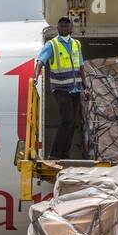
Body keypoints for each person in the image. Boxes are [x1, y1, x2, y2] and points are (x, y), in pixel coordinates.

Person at [35, 16, 84, 160]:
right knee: (67, 120)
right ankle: (54, 153)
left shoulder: (76, 44)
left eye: (66, 27)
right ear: (58, 28)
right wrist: (35, 77)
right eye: (61, 27)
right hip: (60, 89)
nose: (64, 29)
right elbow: (41, 61)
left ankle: (65, 153)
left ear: (70, 28)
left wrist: (85, 87)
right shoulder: (52, 44)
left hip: (75, 89)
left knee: (72, 123)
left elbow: (81, 65)